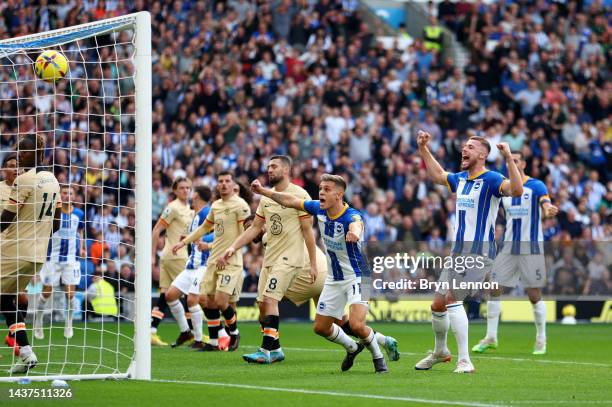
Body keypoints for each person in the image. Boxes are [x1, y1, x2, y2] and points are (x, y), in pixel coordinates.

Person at [251, 174, 389, 373]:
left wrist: (355, 233)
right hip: (334, 278)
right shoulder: (318, 208)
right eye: (321, 188)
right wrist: (263, 191)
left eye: (326, 189)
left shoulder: (351, 216)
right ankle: (352, 347)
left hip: (358, 276)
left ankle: (378, 358)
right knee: (320, 328)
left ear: (339, 195)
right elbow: (290, 201)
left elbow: (357, 224)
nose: (321, 192)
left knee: (357, 325)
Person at [414, 130, 523, 373]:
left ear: (483, 155)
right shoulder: (461, 178)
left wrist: (509, 159)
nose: (465, 149)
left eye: (471, 147)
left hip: (478, 252)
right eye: (464, 146)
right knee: (438, 305)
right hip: (457, 253)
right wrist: (423, 148)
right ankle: (441, 351)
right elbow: (438, 175)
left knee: (453, 299)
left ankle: (465, 360)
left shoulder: (493, 179)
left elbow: (516, 190)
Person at [219, 155, 317, 364]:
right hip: (270, 257)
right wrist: (232, 247)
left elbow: (308, 232)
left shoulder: (300, 195)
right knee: (263, 308)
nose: (269, 170)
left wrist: (314, 264)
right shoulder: (266, 198)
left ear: (286, 170)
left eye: (273, 166)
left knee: (271, 300)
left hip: (290, 258)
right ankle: (277, 349)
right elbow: (255, 228)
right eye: (268, 167)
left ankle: (264, 352)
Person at [473, 152, 558, 355]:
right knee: (493, 287)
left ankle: (541, 339)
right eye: (511, 161)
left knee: (533, 294)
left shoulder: (536, 185)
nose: (514, 163)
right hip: (509, 247)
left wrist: (548, 210)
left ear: (523, 164)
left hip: (531, 248)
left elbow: (546, 203)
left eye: (517, 160)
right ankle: (491, 337)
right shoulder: (507, 190)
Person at [0, 134, 61, 374]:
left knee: (6, 297)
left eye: (22, 152)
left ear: (34, 153)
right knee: (6, 297)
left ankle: (24, 349)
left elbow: (5, 220)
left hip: (15, 249)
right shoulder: (53, 180)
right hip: (38, 255)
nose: (19, 156)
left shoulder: (24, 180)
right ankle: (25, 352)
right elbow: (56, 224)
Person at [173, 171, 251, 351]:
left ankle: (234, 333)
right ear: (217, 185)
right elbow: (204, 228)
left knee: (222, 301)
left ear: (233, 185)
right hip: (213, 261)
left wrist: (231, 251)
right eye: (220, 181)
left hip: (231, 261)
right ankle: (215, 342)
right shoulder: (216, 206)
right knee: (207, 301)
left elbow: (247, 232)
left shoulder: (241, 205)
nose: (224, 184)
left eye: (227, 181)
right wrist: (184, 242)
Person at [165, 185, 214, 349]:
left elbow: (218, 233)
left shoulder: (207, 212)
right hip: (192, 264)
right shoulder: (197, 214)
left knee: (193, 300)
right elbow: (199, 235)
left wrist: (204, 240)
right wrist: (187, 238)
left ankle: (199, 340)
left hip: (204, 264)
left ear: (196, 196)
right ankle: (186, 332)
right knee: (170, 295)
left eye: (192, 192)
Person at [34, 185, 86, 340]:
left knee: (70, 295)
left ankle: (69, 324)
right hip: (52, 259)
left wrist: (82, 248)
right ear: (59, 195)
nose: (67, 195)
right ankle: (38, 322)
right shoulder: (52, 213)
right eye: (64, 193)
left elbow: (80, 232)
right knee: (46, 293)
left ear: (74, 196)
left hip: (71, 259)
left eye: (70, 193)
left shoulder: (79, 214)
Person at [150, 177, 194, 346]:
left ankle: (151, 331)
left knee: (164, 295)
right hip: (177, 256)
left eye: (188, 188)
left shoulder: (188, 209)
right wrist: (152, 254)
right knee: (191, 294)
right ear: (175, 191)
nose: (185, 190)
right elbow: (157, 230)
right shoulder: (173, 207)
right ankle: (194, 334)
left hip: (171, 256)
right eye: (182, 188)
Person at [0, 153, 28, 355]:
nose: (15, 169)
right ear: (4, 169)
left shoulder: (27, 189)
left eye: (18, 166)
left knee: (22, 299)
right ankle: (20, 342)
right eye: (10, 165)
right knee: (6, 298)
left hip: (19, 249)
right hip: (2, 247)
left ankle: (13, 334)